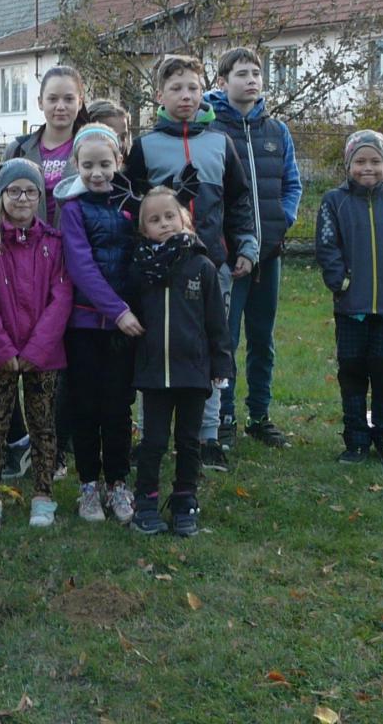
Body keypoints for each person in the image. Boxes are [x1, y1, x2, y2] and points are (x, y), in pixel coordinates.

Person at [124, 54, 257, 474]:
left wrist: (245, 245)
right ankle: (149, 434)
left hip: (210, 265)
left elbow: (239, 200)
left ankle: (208, 435)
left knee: (212, 345)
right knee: (153, 347)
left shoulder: (221, 143)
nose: (186, 96)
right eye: (176, 88)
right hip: (157, 271)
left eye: (193, 88)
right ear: (159, 95)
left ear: (204, 92)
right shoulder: (145, 147)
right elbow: (132, 207)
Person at [0, 158, 72, 532]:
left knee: (44, 426)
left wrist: (35, 351)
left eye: (30, 191)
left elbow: (61, 299)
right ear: (1, 196)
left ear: (40, 196)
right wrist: (4, 350)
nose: (22, 198)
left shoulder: (54, 243)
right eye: (14, 191)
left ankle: (43, 493)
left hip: (43, 356)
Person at [208, 47, 302, 451]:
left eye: (256, 74)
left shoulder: (277, 131)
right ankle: (223, 416)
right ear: (222, 82)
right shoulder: (212, 131)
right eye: (242, 74)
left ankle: (259, 415)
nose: (251, 81)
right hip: (229, 259)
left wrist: (282, 221)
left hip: (269, 256)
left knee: (263, 339)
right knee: (226, 340)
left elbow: (292, 184)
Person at [0, 65, 89, 481]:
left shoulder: (90, 146)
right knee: (14, 350)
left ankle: (56, 446)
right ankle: (21, 439)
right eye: (53, 98)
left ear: (80, 101)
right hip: (24, 267)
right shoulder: (20, 149)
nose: (60, 106)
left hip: (74, 266)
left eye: (69, 98)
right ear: (40, 102)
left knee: (63, 359)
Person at [128, 187, 233, 536]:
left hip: (193, 372)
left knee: (189, 441)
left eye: (170, 216)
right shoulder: (141, 268)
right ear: (143, 229)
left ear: (184, 219)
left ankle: (185, 499)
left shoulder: (202, 266)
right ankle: (146, 500)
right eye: (154, 220)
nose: (164, 224)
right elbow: (130, 313)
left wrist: (221, 366)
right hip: (154, 373)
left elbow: (217, 322)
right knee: (153, 441)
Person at [52, 125, 143, 524]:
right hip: (86, 324)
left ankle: (118, 482)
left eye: (105, 164)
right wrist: (117, 310)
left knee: (118, 406)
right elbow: (81, 266)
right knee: (85, 405)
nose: (97, 173)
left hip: (126, 328)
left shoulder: (131, 205)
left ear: (118, 162)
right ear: (76, 165)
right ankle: (89, 483)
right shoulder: (72, 210)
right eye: (87, 165)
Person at [315, 129, 383, 465]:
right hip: (351, 306)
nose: (367, 168)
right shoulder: (335, 201)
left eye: (375, 161)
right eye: (360, 161)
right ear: (348, 164)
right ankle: (356, 438)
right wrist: (339, 281)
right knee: (352, 371)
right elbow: (327, 244)